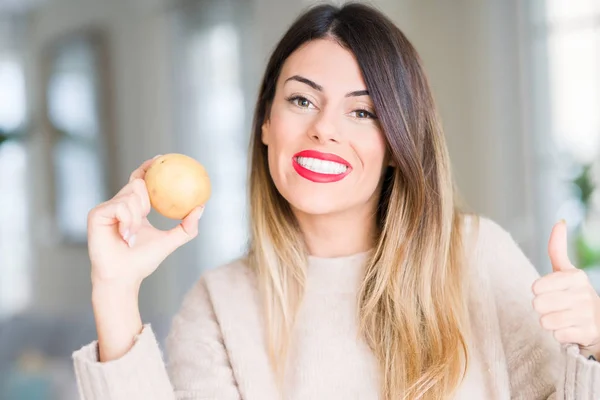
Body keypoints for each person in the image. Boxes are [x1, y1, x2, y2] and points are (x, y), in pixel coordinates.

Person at [72, 3, 600, 399]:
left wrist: (596, 345)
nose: (323, 129)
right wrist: (115, 294)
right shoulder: (219, 304)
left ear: (397, 145)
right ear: (265, 122)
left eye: (362, 112)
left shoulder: (476, 255)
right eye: (301, 100)